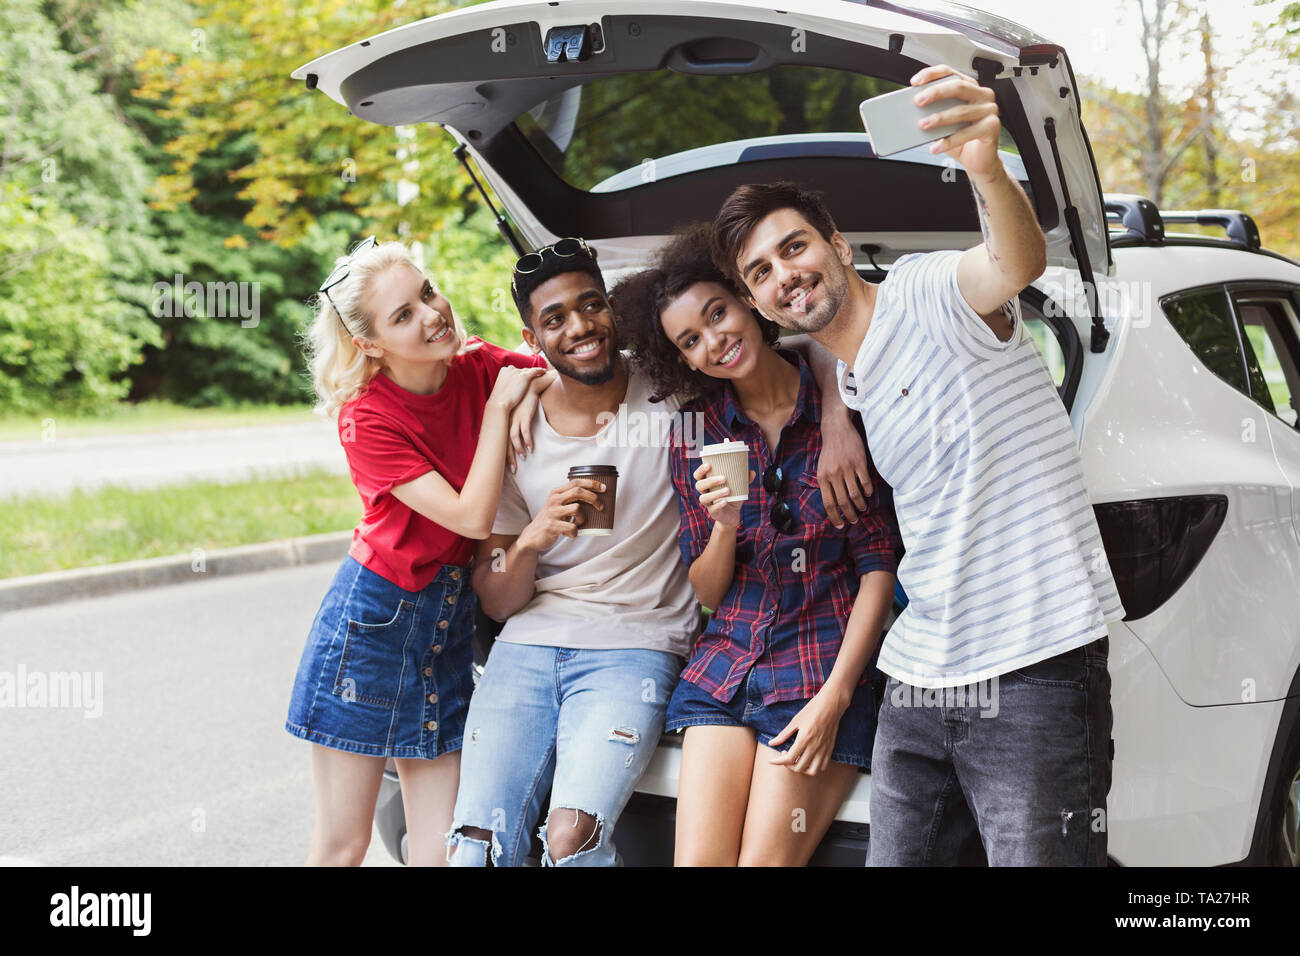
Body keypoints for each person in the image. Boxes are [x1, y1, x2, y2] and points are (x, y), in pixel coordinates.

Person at [710, 65, 1125, 866]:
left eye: (793, 247)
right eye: (760, 273)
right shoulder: (853, 376)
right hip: (919, 676)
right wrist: (834, 404)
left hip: (1032, 662)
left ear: (835, 245)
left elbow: (1013, 262)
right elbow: (821, 358)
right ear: (758, 305)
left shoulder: (928, 288)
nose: (784, 275)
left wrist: (984, 166)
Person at [444, 237, 871, 866]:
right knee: (474, 849)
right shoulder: (516, 420)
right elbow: (498, 597)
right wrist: (531, 541)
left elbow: (793, 345)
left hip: (637, 646)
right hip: (531, 645)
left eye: (591, 306)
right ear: (531, 335)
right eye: (555, 319)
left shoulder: (676, 388)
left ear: (614, 310)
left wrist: (836, 416)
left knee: (572, 840)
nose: (580, 326)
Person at [615, 224, 903, 866]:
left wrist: (837, 697)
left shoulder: (843, 409)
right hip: (725, 673)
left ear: (747, 300)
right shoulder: (696, 433)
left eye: (718, 313)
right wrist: (722, 523)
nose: (714, 341)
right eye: (691, 339)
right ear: (683, 360)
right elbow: (708, 591)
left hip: (819, 672)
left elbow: (878, 569)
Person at [285, 237, 551, 866]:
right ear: (369, 344)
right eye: (403, 315)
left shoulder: (479, 365)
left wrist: (525, 393)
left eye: (426, 293)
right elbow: (470, 514)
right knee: (342, 847)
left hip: (448, 627)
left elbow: (570, 376)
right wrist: (500, 412)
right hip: (372, 630)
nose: (432, 315)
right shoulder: (367, 418)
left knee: (441, 849)